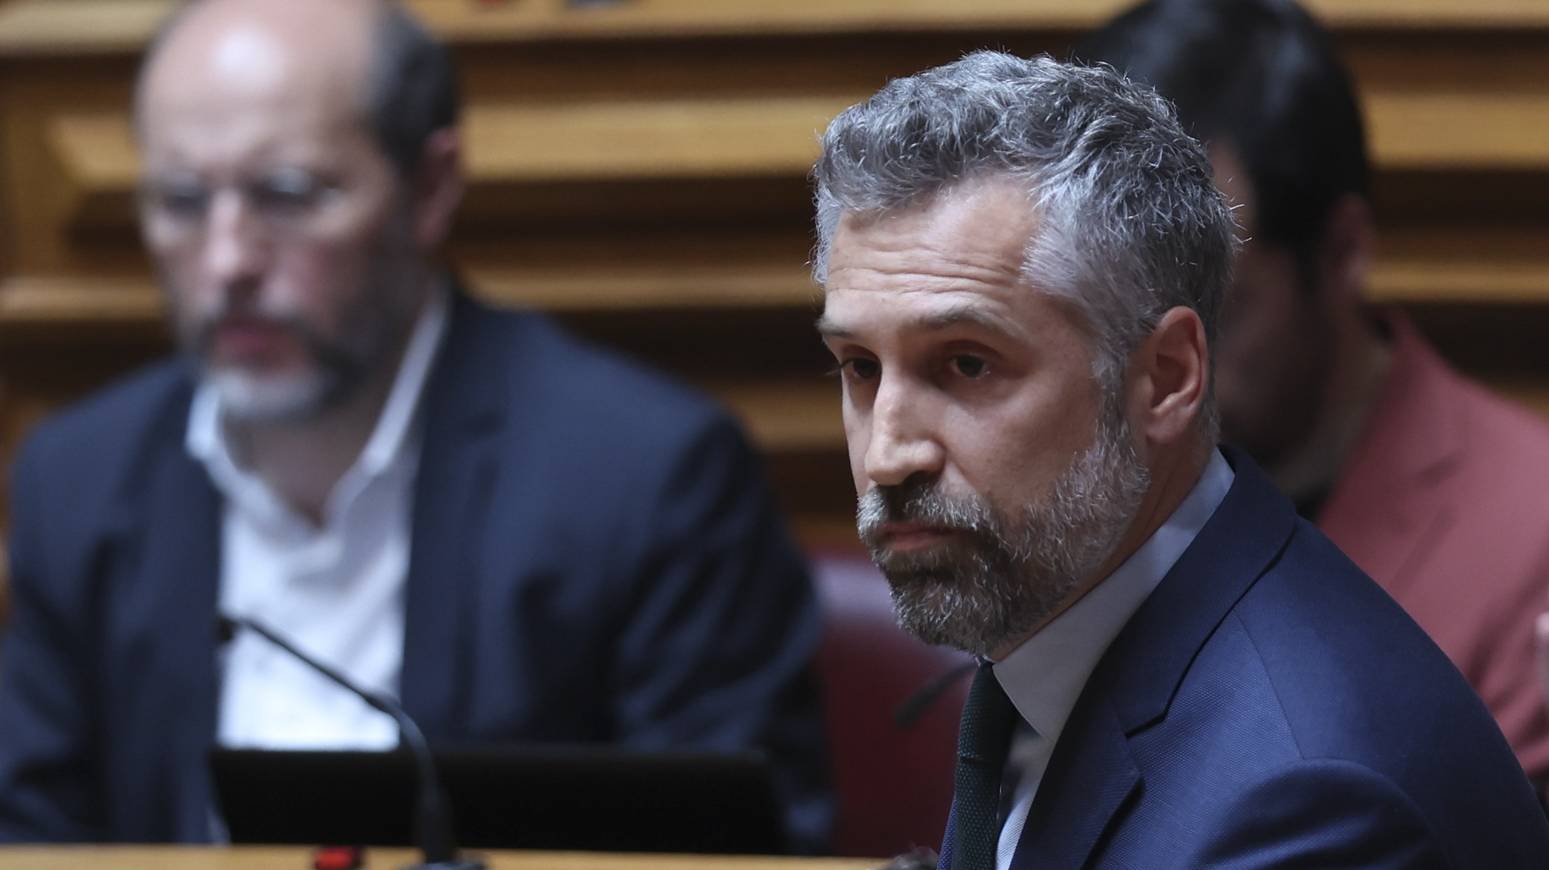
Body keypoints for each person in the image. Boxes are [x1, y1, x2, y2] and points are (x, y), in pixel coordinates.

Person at [0, 0, 830, 849]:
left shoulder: (646, 478)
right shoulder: (78, 479)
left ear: (429, 190)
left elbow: (731, 857)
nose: (227, 261)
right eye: (181, 200)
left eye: (286, 195)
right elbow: (32, 838)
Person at [812, 50, 1549, 867]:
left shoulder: (1307, 809)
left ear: (1164, 377)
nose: (887, 454)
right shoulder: (1066, 618)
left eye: (967, 364)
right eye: (859, 367)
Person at [1076, 0, 1549, 792]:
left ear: (1341, 250)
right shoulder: (1065, 487)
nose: (1150, 374)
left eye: (1208, 312)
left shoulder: (1528, 535)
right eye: (1108, 316)